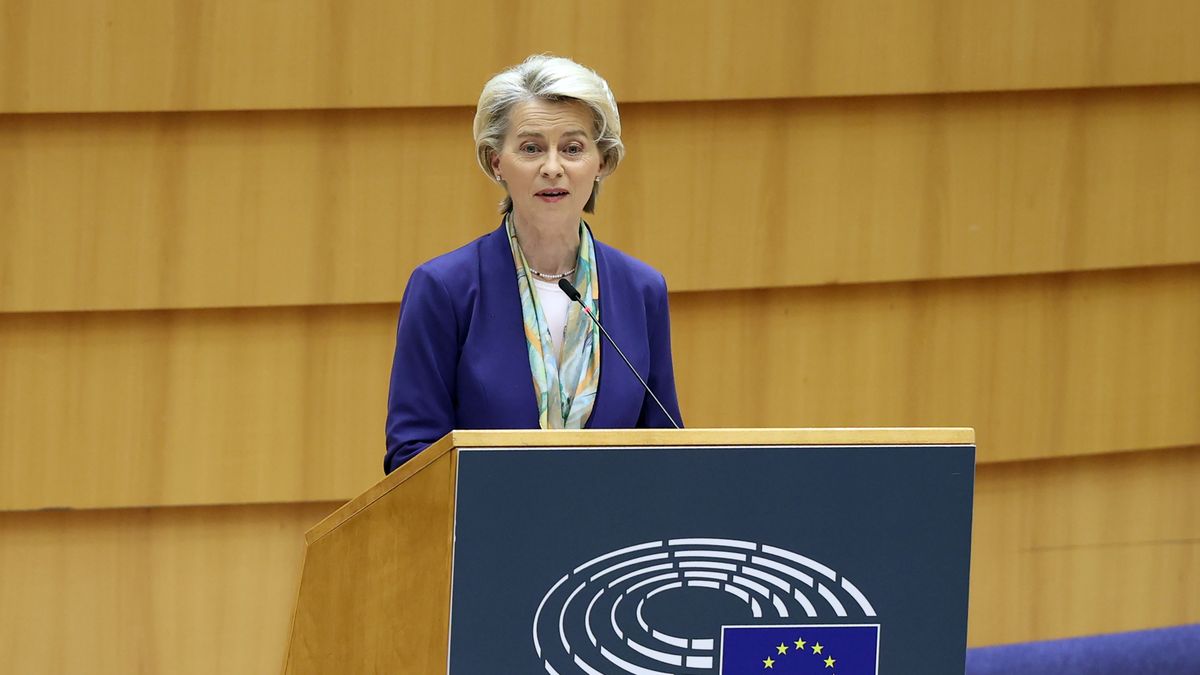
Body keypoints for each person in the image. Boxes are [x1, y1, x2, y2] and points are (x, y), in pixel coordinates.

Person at [384, 55, 683, 473]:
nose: (553, 168)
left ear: (601, 163)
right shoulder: (444, 288)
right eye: (531, 148)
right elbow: (411, 455)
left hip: (616, 535)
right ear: (496, 162)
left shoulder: (641, 289)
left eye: (573, 148)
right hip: (488, 531)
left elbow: (667, 445)